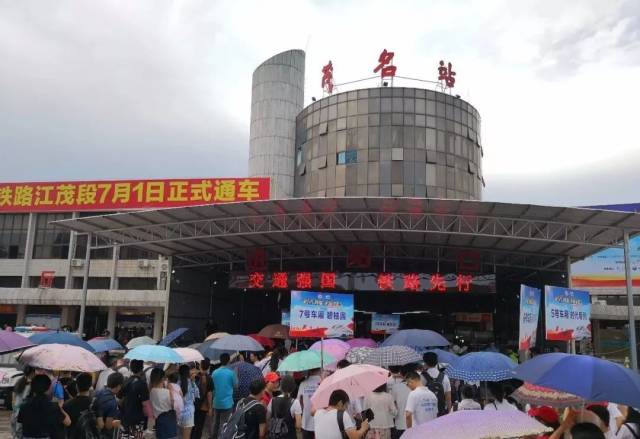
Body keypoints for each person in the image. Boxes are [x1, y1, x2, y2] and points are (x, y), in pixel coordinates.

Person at [18, 374, 71, 439]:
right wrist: (59, 407)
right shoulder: (53, 407)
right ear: (48, 388)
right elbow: (68, 422)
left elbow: (20, 424)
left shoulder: (23, 406)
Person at [211, 353, 238, 439]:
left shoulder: (214, 372)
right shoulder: (231, 373)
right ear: (229, 360)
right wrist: (236, 375)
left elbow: (212, 387)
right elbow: (236, 386)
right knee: (224, 423)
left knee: (215, 422)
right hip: (227, 403)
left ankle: (213, 437)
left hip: (216, 401)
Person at [120, 359, 150, 436]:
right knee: (137, 436)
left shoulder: (125, 381)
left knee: (127, 436)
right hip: (138, 417)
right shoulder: (142, 384)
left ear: (131, 368)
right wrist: (150, 415)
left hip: (126, 416)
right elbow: (145, 403)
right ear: (142, 368)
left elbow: (120, 398)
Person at [93, 372, 123, 439]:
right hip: (103, 434)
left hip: (93, 429)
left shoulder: (99, 392)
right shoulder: (112, 403)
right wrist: (115, 423)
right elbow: (108, 426)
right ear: (118, 386)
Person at [149, 368, 177, 439]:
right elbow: (174, 405)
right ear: (162, 378)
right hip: (169, 421)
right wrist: (170, 389)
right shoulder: (167, 392)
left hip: (158, 421)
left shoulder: (151, 391)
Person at [297, 369, 322, 439]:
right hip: (321, 422)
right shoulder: (323, 382)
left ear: (309, 370)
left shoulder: (303, 384)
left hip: (306, 422)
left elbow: (299, 403)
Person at [11, 365, 35, 439]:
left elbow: (13, 397)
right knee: (20, 431)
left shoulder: (19, 381)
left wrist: (14, 407)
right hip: (23, 411)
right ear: (32, 373)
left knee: (15, 432)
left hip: (15, 410)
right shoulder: (31, 385)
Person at [191, 359, 212, 439]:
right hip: (203, 405)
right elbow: (209, 394)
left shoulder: (194, 376)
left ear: (200, 366)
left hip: (193, 404)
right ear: (208, 367)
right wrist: (210, 408)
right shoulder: (209, 378)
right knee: (199, 427)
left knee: (192, 424)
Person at [178, 364, 200, 439]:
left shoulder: (177, 383)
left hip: (179, 413)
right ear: (188, 372)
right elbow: (197, 395)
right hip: (189, 413)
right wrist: (193, 381)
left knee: (180, 436)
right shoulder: (191, 383)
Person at [387, 366, 410, 439]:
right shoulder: (416, 386)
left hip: (400, 422)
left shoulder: (396, 387)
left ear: (401, 373)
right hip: (414, 423)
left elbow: (391, 403)